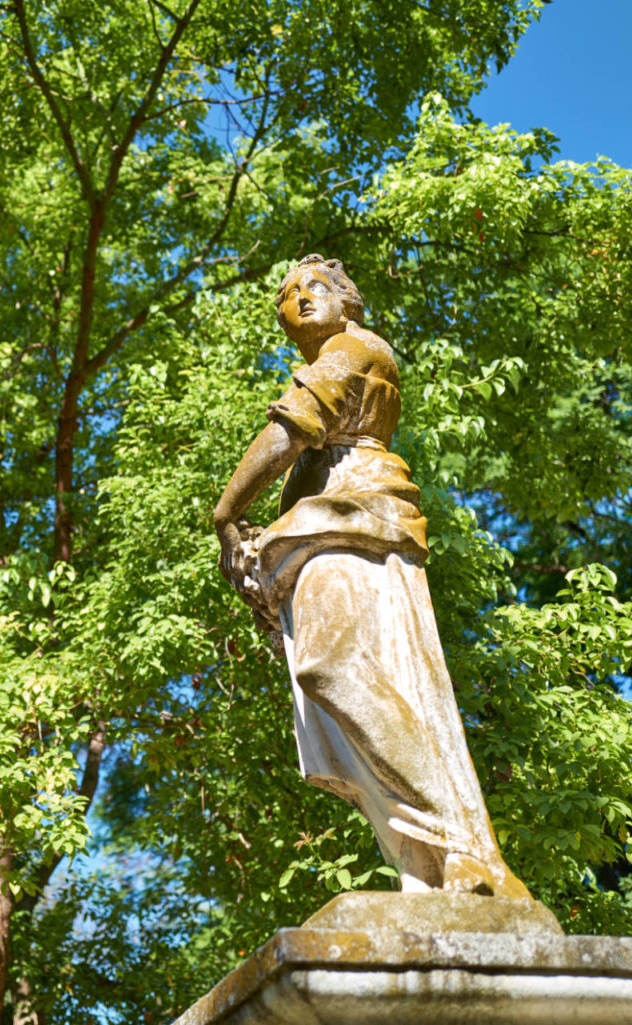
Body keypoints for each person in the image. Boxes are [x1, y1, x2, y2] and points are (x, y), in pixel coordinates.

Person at [213, 254, 530, 899]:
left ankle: (462, 842)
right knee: (335, 694)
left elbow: (291, 430)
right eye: (289, 294)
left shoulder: (355, 350)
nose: (301, 298)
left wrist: (227, 514)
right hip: (323, 530)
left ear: (347, 300)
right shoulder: (333, 354)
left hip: (354, 523)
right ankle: (434, 873)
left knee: (333, 668)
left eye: (316, 287)